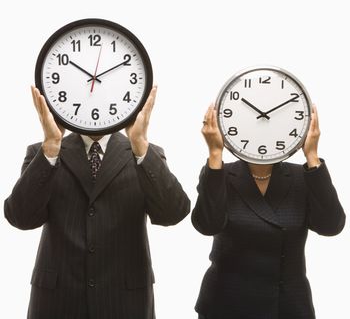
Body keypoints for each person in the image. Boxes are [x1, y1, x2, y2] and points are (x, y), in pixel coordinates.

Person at [4, 85, 190, 319]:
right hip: (58, 303)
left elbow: (173, 213)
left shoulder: (145, 152)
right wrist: (51, 144)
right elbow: (20, 218)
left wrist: (140, 143)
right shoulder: (43, 152)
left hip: (125, 303)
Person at [191, 104, 345, 319]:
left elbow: (331, 226)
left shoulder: (303, 176)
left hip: (287, 307)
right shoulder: (221, 174)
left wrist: (312, 155)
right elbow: (207, 225)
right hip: (226, 305)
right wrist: (215, 153)